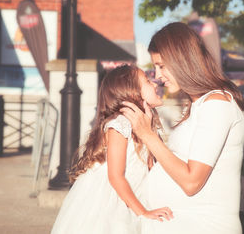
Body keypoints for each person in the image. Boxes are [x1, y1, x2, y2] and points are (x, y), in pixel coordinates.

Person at [121, 22, 244, 234]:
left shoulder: (217, 104)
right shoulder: (200, 105)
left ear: (181, 59)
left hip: (202, 225)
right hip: (180, 220)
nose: (158, 76)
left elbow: (191, 182)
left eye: (161, 66)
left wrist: (147, 135)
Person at [51, 65, 173, 234]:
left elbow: (152, 170)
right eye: (146, 81)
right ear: (132, 92)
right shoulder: (120, 124)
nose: (154, 83)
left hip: (135, 195)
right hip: (111, 200)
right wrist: (143, 212)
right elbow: (115, 177)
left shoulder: (149, 126)